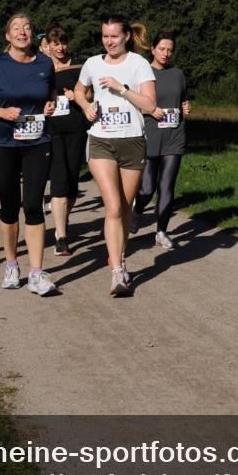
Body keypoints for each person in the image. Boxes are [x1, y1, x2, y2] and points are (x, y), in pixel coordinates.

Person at [0, 13, 58, 297]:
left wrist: (51, 105)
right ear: (8, 36)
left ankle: (36, 272)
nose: (22, 32)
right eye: (16, 28)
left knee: (33, 205)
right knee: (9, 206)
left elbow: (51, 95)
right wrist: (0, 112)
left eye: (27, 28)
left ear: (32, 34)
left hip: (38, 142)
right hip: (3, 143)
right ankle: (11, 264)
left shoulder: (45, 63)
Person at [75, 16, 156, 296]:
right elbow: (79, 90)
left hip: (132, 141)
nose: (109, 42)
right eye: (105, 36)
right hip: (101, 141)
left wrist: (122, 88)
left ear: (126, 37)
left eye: (114, 36)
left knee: (124, 207)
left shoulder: (139, 64)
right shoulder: (92, 63)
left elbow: (150, 105)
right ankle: (117, 272)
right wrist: (85, 105)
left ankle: (119, 257)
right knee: (112, 206)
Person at [131, 31, 191, 248]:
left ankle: (161, 232)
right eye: (162, 49)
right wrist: (149, 109)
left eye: (170, 50)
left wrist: (186, 106)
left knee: (166, 186)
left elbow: (182, 99)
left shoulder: (178, 74)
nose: (166, 53)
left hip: (174, 136)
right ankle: (137, 211)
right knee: (147, 189)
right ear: (153, 49)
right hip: (150, 135)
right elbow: (132, 103)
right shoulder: (143, 72)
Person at [45, 24, 90, 256]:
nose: (60, 47)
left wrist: (78, 96)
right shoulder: (42, 68)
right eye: (56, 44)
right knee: (59, 180)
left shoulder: (80, 66)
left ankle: (64, 219)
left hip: (76, 129)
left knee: (72, 181)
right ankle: (61, 236)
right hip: (52, 131)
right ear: (48, 46)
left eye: (63, 42)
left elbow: (91, 93)